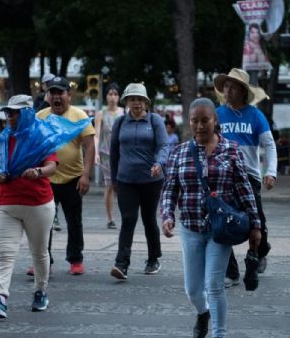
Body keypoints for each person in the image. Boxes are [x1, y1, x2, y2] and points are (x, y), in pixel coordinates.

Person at [161, 97, 261, 338]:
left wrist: (255, 225)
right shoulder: (179, 152)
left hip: (220, 229)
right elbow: (170, 188)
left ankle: (219, 334)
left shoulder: (231, 149)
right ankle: (202, 312)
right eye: (194, 121)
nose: (199, 126)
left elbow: (243, 188)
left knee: (214, 286)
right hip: (191, 228)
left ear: (215, 121)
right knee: (193, 290)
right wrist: (167, 215)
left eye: (205, 120)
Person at [0, 95, 58, 319]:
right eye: (7, 113)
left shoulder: (41, 136)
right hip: (6, 204)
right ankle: (0, 298)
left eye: (14, 112)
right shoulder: (4, 138)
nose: (9, 117)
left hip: (39, 204)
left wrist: (38, 172)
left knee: (40, 253)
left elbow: (52, 166)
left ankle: (41, 291)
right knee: (4, 253)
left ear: (26, 114)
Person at [213, 68, 277, 287]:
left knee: (256, 219)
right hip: (223, 175)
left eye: (232, 87)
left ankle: (261, 250)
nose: (227, 90)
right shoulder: (218, 114)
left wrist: (271, 172)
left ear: (243, 91)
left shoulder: (256, 115)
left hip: (249, 175)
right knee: (221, 222)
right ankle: (231, 272)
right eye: (226, 86)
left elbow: (269, 145)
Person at [109, 83, 170, 280]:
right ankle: (122, 264)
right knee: (128, 220)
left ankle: (153, 258)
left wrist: (159, 164)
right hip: (126, 180)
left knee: (149, 219)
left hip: (151, 180)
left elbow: (164, 146)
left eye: (140, 99)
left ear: (146, 102)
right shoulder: (120, 123)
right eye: (132, 99)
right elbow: (114, 153)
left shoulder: (155, 121)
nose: (136, 103)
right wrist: (113, 178)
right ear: (126, 102)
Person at [36, 73, 96, 275]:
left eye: (60, 93)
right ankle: (43, 261)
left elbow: (89, 146)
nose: (56, 97)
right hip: (46, 179)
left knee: (74, 222)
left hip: (73, 179)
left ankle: (75, 260)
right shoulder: (40, 117)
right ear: (48, 96)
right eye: (52, 93)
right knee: (43, 223)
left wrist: (86, 175)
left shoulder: (79, 116)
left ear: (69, 95)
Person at [94, 83, 123, 229]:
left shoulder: (124, 113)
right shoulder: (101, 114)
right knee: (110, 185)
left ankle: (125, 215)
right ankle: (110, 218)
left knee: (123, 185)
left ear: (119, 97)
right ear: (106, 96)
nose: (112, 97)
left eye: (115, 94)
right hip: (106, 154)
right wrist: (95, 153)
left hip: (123, 154)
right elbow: (97, 135)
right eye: (110, 94)